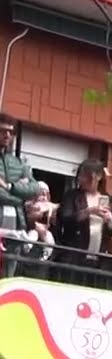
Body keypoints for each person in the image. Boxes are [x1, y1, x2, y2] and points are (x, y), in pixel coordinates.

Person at [54, 159, 112, 287]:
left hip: (101, 262)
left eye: (86, 176)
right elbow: (65, 219)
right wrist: (89, 211)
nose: (81, 179)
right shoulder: (72, 196)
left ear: (98, 177)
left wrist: (110, 221)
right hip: (75, 257)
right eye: (80, 175)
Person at [0, 117, 39, 276]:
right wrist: (19, 195)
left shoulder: (18, 163)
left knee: (8, 276)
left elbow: (34, 188)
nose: (7, 135)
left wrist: (9, 187)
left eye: (10, 132)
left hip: (16, 225)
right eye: (3, 130)